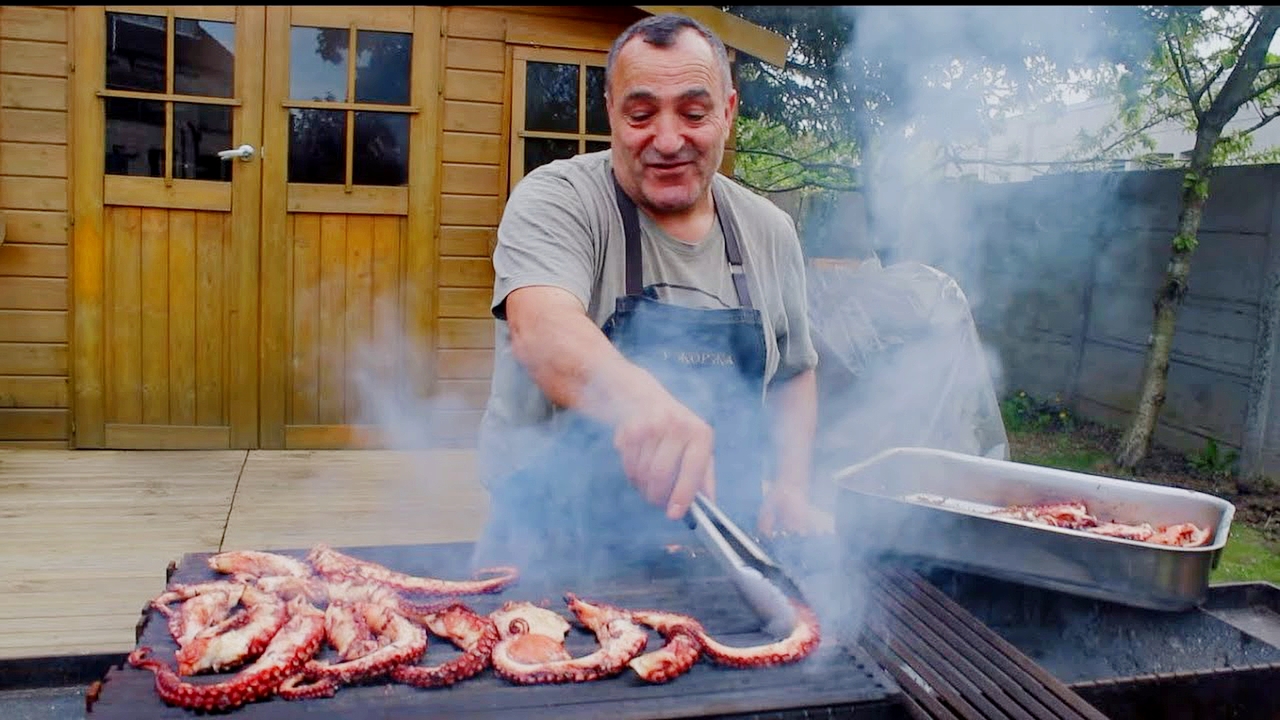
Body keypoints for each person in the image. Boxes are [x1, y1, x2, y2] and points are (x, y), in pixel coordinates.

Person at [470, 13, 828, 582]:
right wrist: (643, 404)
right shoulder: (558, 200)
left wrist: (790, 486)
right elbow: (540, 328)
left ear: (728, 111)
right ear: (611, 110)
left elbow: (793, 372)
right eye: (640, 115)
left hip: (716, 557)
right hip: (550, 552)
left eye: (693, 113)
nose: (667, 140)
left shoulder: (769, 230)